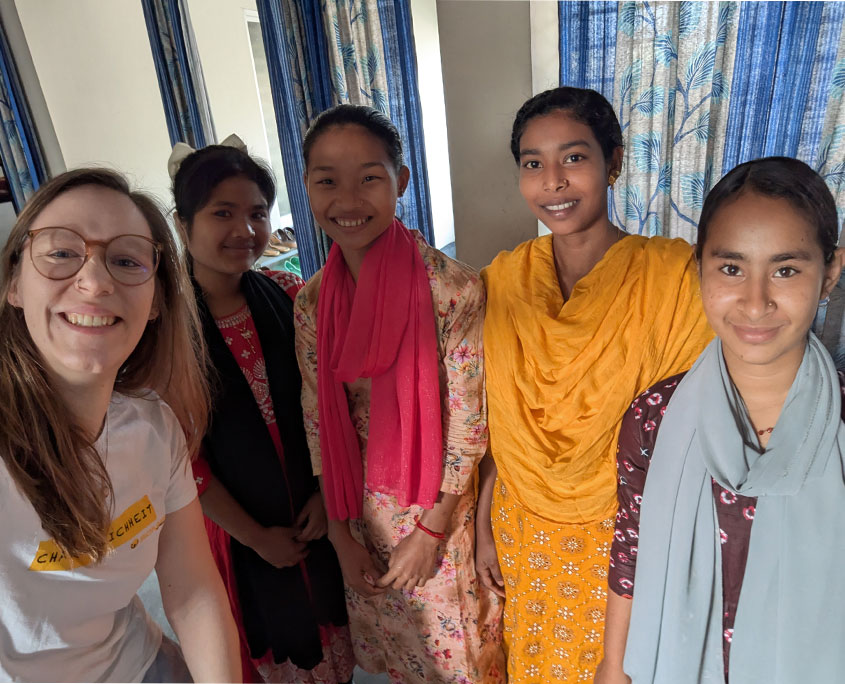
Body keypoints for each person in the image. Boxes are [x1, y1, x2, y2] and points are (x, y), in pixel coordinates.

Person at [477, 86, 713, 682]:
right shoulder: (501, 282)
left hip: (625, 536)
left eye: (574, 158)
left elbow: (694, 431)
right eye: (533, 164)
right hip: (521, 524)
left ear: (614, 161)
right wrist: (480, 525)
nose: (552, 181)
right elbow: (491, 424)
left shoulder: (672, 278)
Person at [601, 157, 845, 684]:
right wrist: (613, 667)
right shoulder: (655, 416)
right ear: (700, 270)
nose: (755, 303)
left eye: (785, 270)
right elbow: (631, 549)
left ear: (830, 272)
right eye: (731, 269)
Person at [0, 168, 240, 682]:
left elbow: (193, 590)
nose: (95, 280)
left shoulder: (154, 427)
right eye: (61, 252)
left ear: (155, 303)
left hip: (143, 663)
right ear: (14, 284)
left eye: (127, 260)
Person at [293, 104, 505, 683]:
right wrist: (340, 537)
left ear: (400, 182)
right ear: (306, 186)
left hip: (436, 512)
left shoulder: (452, 290)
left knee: (457, 661)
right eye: (327, 180)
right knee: (401, 663)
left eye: (369, 177)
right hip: (357, 515)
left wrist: (431, 532)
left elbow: (470, 426)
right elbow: (317, 419)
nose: (348, 200)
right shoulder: (311, 303)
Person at [170, 136, 354, 683]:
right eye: (221, 213)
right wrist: (254, 536)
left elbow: (329, 407)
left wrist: (326, 493)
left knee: (334, 645)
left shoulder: (289, 295)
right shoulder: (165, 333)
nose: (244, 230)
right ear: (183, 226)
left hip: (312, 509)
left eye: (256, 213)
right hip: (233, 531)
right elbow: (181, 460)